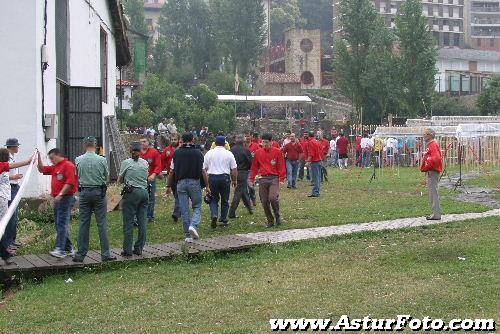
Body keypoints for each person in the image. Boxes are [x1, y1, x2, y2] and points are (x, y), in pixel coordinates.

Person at [73, 137, 115, 263]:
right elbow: (106, 175)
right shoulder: (101, 159)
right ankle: (105, 254)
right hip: (98, 192)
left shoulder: (78, 159)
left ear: (85, 145)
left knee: (83, 223)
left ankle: (80, 254)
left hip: (84, 192)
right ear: (95, 145)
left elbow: (77, 175)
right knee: (101, 223)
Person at [167, 133, 210, 241]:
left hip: (180, 183)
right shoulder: (198, 153)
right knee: (197, 206)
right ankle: (193, 225)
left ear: (182, 140)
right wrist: (207, 186)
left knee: (184, 209)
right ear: (193, 140)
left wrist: (168, 185)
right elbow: (203, 171)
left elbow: (172, 171)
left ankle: (188, 235)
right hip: (194, 182)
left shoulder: (177, 153)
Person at [37, 149, 78, 258]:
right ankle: (69, 248)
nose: (51, 161)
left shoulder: (68, 165)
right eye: (50, 159)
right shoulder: (55, 166)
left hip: (65, 198)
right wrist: (39, 157)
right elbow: (42, 169)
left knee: (61, 224)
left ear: (59, 155)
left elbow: (70, 182)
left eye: (52, 158)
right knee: (60, 224)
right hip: (58, 199)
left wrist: (60, 194)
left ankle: (60, 249)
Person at [118, 142, 149, 256]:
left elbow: (120, 180)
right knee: (142, 221)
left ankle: (127, 250)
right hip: (144, 193)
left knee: (128, 221)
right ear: (140, 151)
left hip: (132, 193)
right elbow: (146, 177)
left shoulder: (126, 163)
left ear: (130, 150)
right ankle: (139, 248)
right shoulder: (145, 163)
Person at [0, 149, 31, 264]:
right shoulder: (2, 165)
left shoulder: (3, 168)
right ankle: (5, 253)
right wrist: (28, 162)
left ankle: (5, 253)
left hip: (3, 197)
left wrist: (13, 178)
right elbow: (14, 164)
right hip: (1, 198)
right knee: (2, 225)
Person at [249, 133, 286, 228]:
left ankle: (277, 215)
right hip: (263, 178)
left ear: (271, 142)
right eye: (263, 142)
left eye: (266, 142)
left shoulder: (277, 152)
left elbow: (281, 165)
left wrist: (282, 178)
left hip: (274, 178)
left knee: (273, 198)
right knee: (264, 201)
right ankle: (270, 220)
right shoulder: (258, 152)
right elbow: (254, 167)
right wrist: (252, 179)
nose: (264, 144)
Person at [204, 135, 237, 228]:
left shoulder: (209, 153)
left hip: (212, 178)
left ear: (215, 143)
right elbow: (234, 169)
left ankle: (214, 214)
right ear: (224, 144)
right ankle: (223, 218)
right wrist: (234, 180)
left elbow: (204, 168)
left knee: (213, 198)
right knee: (225, 199)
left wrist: (205, 182)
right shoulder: (229, 154)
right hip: (225, 178)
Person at [228, 135, 254, 219]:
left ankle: (250, 209)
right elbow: (250, 162)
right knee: (238, 192)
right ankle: (231, 212)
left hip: (233, 172)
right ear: (244, 142)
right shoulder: (246, 150)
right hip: (243, 172)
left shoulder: (231, 150)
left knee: (243, 191)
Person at [4, 138, 23, 252]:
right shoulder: (6, 158)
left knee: (14, 215)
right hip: (10, 187)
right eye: (16, 146)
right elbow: (3, 174)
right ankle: (8, 242)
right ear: (12, 147)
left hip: (15, 187)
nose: (18, 148)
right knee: (11, 215)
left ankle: (12, 240)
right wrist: (14, 177)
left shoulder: (12, 157)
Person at [420, 129, 443, 221]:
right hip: (432, 170)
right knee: (432, 192)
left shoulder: (432, 144)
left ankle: (436, 214)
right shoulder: (432, 144)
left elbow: (436, 158)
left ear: (430, 135)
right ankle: (435, 213)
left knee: (433, 192)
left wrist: (427, 163)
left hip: (432, 171)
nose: (423, 135)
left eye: (425, 134)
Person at [139, 136, 162, 223]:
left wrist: (154, 174)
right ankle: (140, 215)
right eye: (141, 142)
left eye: (144, 141)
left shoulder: (154, 152)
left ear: (148, 142)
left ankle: (150, 216)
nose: (142, 143)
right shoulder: (137, 153)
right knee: (140, 197)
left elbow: (158, 165)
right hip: (140, 179)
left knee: (151, 197)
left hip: (150, 178)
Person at [161, 133, 181, 222]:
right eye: (172, 139)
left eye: (175, 140)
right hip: (171, 175)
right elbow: (162, 161)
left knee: (178, 194)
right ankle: (178, 212)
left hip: (181, 174)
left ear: (179, 140)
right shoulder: (167, 150)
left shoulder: (182, 149)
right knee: (177, 194)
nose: (173, 141)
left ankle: (176, 213)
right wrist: (160, 171)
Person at [306, 131, 324, 198]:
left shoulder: (311, 142)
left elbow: (311, 154)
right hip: (319, 160)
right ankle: (317, 191)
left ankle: (316, 192)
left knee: (315, 178)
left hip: (315, 161)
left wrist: (308, 162)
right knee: (318, 177)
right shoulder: (317, 141)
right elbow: (321, 150)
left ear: (308, 135)